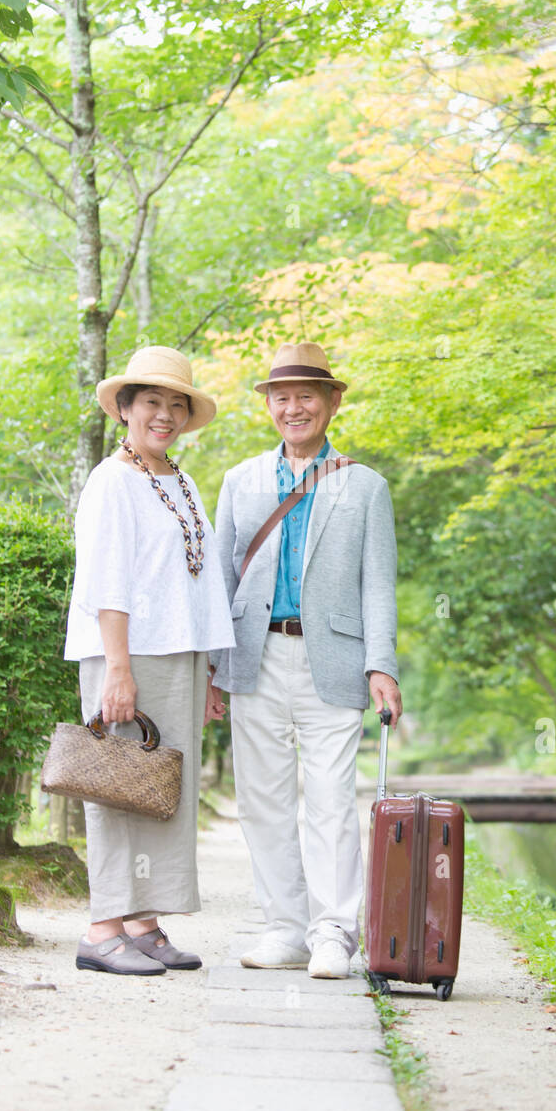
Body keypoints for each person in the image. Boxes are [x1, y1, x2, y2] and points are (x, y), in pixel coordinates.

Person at [207, 341, 402, 979]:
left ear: (331, 402)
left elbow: (379, 583)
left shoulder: (365, 485)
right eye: (281, 397)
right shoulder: (240, 481)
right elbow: (220, 580)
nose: (293, 408)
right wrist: (213, 667)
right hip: (253, 654)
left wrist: (383, 665)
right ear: (268, 405)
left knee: (329, 797)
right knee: (262, 798)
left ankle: (333, 933)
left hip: (335, 659)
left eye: (306, 396)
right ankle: (284, 927)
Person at [64, 345, 233, 976]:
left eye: (176, 405)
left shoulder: (178, 480)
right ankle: (101, 928)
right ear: (126, 409)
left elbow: (197, 581)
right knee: (116, 788)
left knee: (160, 789)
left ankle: (142, 921)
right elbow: (108, 581)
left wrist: (209, 671)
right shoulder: (113, 481)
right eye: (152, 402)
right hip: (127, 653)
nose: (164, 415)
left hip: (178, 654)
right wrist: (118, 668)